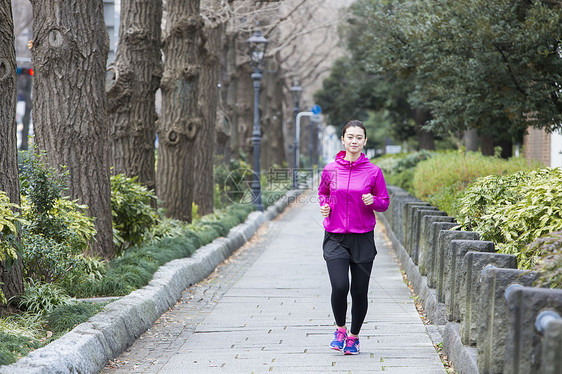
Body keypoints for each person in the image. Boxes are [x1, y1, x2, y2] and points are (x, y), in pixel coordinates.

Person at [318, 120, 389, 355]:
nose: (354, 141)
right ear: (343, 139)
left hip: (362, 238)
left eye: (359, 137)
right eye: (350, 136)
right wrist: (325, 205)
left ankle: (354, 337)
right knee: (340, 286)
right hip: (335, 237)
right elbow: (323, 192)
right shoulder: (330, 169)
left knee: (359, 292)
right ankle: (340, 330)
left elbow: (384, 202)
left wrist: (374, 201)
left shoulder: (373, 171)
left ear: (365, 141)